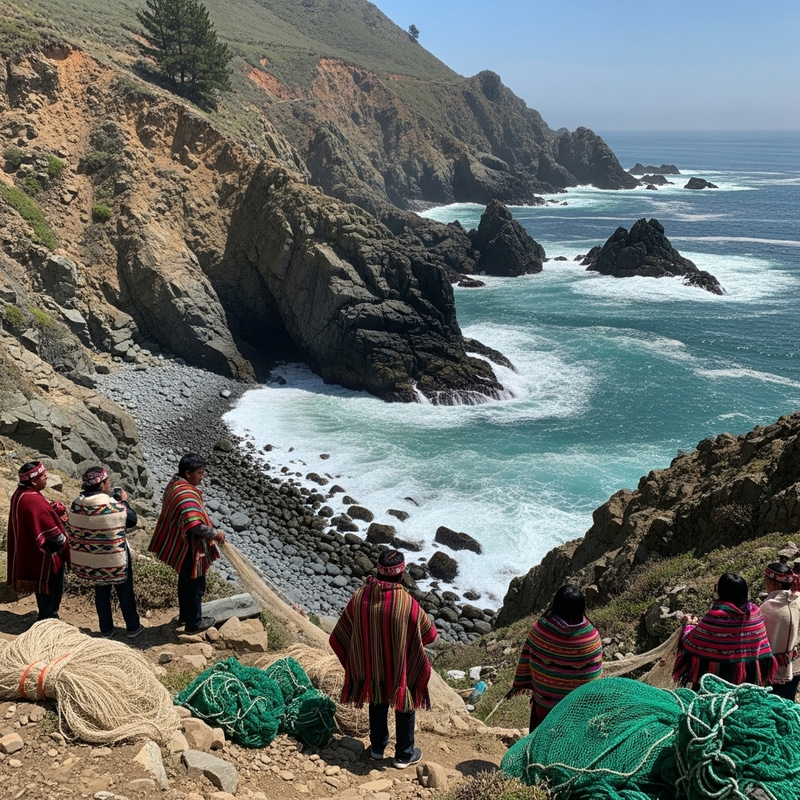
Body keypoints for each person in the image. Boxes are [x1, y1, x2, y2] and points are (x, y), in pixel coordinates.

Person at [330, 550, 437, 769]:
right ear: (401, 574)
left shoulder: (360, 596)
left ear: (378, 571)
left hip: (372, 666)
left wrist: (361, 655)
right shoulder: (407, 603)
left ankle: (377, 748)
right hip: (398, 667)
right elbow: (430, 634)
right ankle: (404, 754)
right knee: (405, 701)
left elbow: (341, 634)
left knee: (377, 699)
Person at [507, 584, 603, 733]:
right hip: (575, 711)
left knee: (538, 743)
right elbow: (594, 677)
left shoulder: (540, 630)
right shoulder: (590, 638)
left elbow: (528, 657)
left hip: (544, 706)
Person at [148, 453, 225, 634]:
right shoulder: (185, 494)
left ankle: (185, 616)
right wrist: (215, 533)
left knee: (184, 583)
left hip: (179, 544)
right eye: (200, 472)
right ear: (188, 473)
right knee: (195, 586)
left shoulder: (175, 484)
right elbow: (195, 525)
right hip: (188, 548)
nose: (203, 476)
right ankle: (194, 623)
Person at [67, 466, 144, 639]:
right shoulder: (111, 505)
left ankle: (106, 630)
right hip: (114, 558)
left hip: (92, 558)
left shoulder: (76, 503)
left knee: (101, 593)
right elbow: (131, 519)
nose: (109, 484)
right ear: (102, 484)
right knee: (125, 592)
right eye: (107, 481)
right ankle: (133, 627)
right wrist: (123, 501)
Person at [673, 572, 776, 689]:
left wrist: (689, 625)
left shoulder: (715, 617)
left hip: (717, 679)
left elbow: (690, 642)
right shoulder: (754, 613)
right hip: (749, 679)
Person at [6, 461, 69, 620]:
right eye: (42, 476)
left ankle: (46, 615)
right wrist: (64, 541)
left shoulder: (20, 494)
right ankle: (49, 621)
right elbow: (52, 534)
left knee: (42, 592)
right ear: (33, 481)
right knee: (52, 590)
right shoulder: (33, 500)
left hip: (32, 554)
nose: (46, 477)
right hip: (45, 559)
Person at [761, 562, 800, 701]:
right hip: (796, 666)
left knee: (774, 707)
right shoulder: (798, 600)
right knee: (789, 704)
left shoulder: (768, 608)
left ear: (775, 583)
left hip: (773, 672)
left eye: (766, 579)